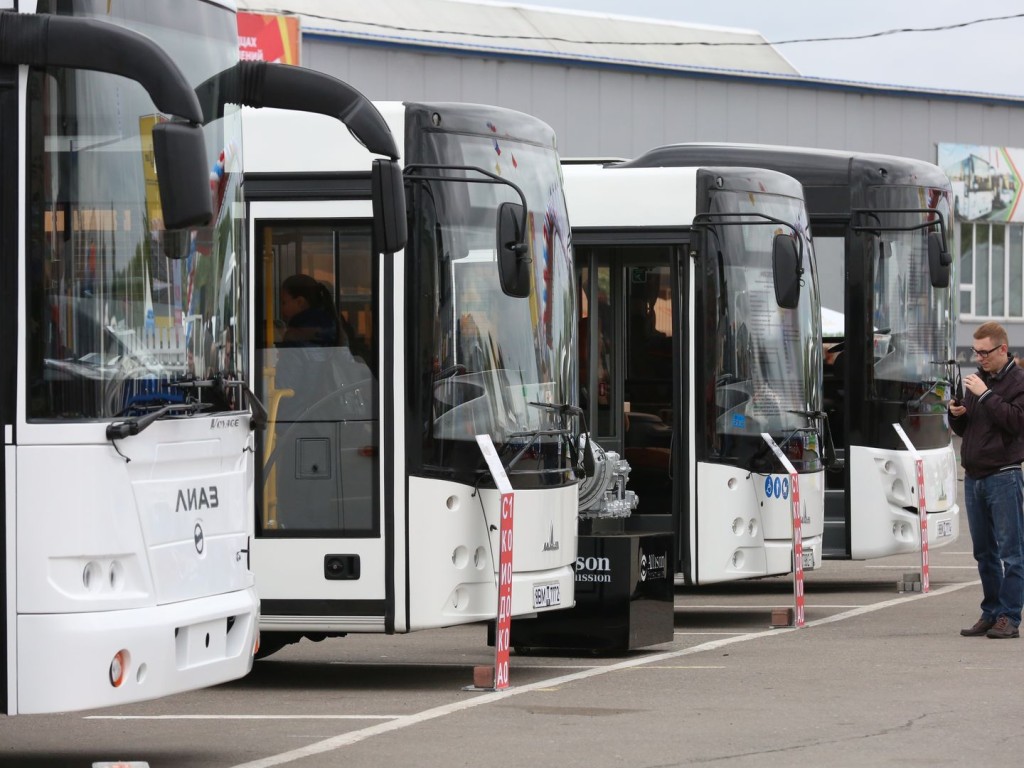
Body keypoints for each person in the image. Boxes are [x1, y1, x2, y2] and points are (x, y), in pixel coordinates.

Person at [949, 321, 1024, 639]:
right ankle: (991, 612)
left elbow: (1015, 422)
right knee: (984, 553)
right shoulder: (977, 381)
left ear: (1003, 349)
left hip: (1004, 476)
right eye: (974, 352)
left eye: (984, 352)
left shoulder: (1019, 381)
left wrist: (987, 395)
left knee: (1012, 552)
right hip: (974, 477)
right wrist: (957, 414)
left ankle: (1010, 617)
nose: (978, 358)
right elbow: (967, 432)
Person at [278, 274, 342, 348]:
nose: (281, 308)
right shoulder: (333, 326)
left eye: (283, 302)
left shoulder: (295, 336)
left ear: (300, 302)